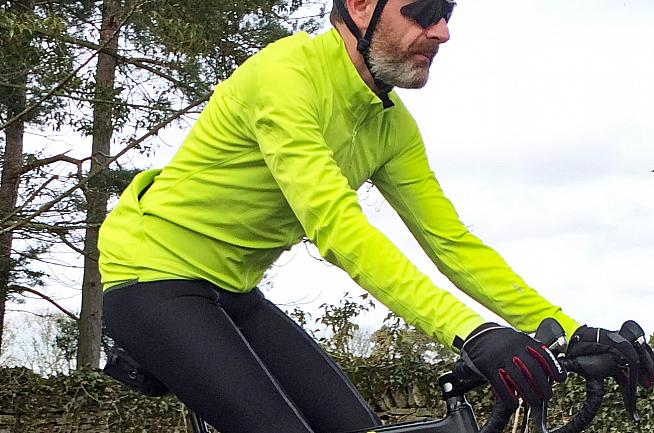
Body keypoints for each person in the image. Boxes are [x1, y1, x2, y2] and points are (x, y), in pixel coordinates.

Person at [99, 0, 654, 432]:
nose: (442, 32)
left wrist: (567, 329)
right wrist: (473, 332)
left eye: (447, 14)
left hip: (234, 291)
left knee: (358, 429)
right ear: (361, 7)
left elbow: (452, 243)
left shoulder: (391, 126)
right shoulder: (286, 75)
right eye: (424, 12)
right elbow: (337, 227)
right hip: (152, 277)